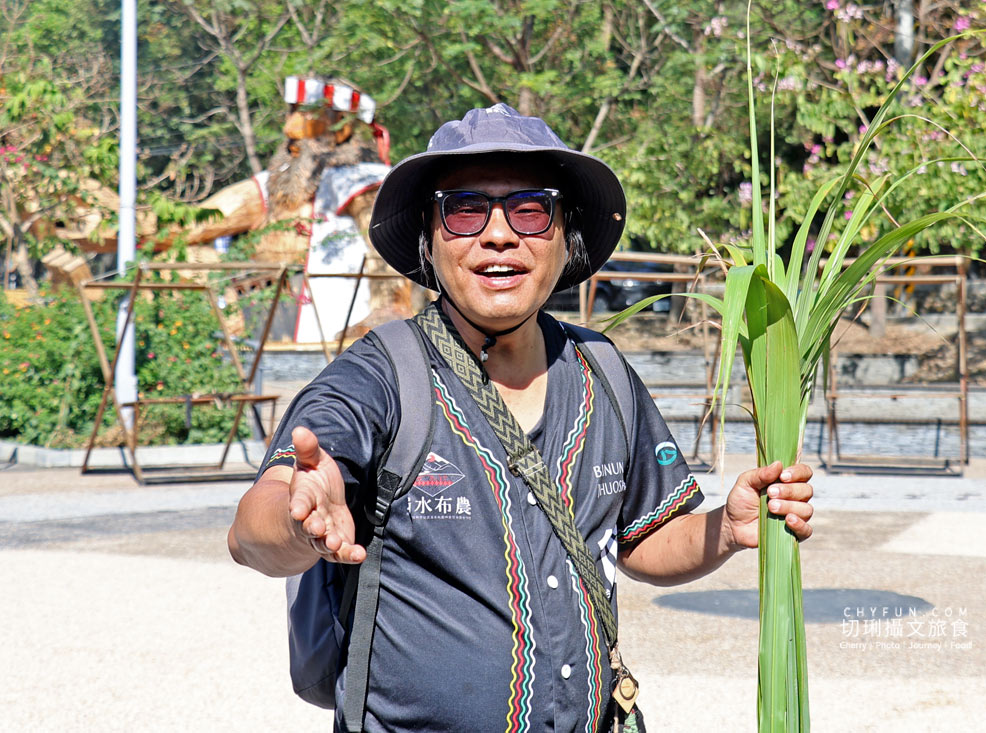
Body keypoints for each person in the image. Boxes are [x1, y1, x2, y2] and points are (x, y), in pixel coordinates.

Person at [228, 103, 814, 732]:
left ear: (567, 236)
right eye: (464, 209)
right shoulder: (380, 377)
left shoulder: (604, 374)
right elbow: (249, 533)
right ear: (429, 236)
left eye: (531, 209)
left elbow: (643, 539)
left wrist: (726, 527)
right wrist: (300, 519)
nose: (500, 234)